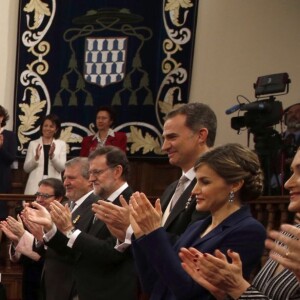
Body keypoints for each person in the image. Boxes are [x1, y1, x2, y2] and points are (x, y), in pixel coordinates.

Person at [129, 143, 266, 300]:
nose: (194, 191)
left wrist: (154, 232)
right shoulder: (197, 226)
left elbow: (191, 292)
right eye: (196, 182)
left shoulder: (249, 231)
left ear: (234, 185)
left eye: (205, 182)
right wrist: (141, 235)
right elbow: (153, 283)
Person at [179, 146, 300, 299]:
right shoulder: (291, 237)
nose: (288, 183)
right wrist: (225, 294)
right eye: (292, 172)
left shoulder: (249, 230)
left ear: (235, 185)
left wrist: (238, 287)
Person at [93, 103, 217, 248]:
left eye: (172, 137)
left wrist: (135, 229)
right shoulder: (172, 188)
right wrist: (126, 234)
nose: (164, 147)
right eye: (164, 138)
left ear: (201, 135)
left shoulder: (215, 186)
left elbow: (191, 248)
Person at [25, 146, 138, 300]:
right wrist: (50, 228)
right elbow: (77, 251)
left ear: (117, 171)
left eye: (96, 172)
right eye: (90, 173)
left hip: (108, 293)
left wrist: (69, 230)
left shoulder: (131, 203)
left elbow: (111, 253)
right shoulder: (102, 202)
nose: (91, 179)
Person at [0, 178, 65, 300]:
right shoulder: (30, 215)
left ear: (58, 198)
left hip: (51, 277)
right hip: (29, 277)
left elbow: (50, 253)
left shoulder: (62, 220)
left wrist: (23, 235)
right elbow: (20, 256)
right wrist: (16, 240)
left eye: (45, 196)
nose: (39, 200)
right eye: (38, 195)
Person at [23, 113, 67, 195]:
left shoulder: (61, 144)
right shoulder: (33, 144)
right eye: (45, 126)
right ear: (42, 127)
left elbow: (62, 168)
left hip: (54, 186)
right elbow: (26, 168)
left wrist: (52, 156)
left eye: (51, 126)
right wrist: (35, 158)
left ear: (56, 129)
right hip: (34, 186)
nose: (48, 128)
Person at [0, 105, 17, 220]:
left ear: (2, 118)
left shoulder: (10, 135)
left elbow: (11, 158)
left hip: (2, 178)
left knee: (1, 211)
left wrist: (1, 148)